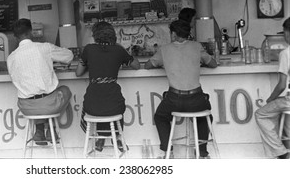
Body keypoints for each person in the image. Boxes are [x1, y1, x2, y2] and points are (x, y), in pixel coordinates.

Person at [145, 19, 217, 158]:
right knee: (204, 117)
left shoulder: (164, 50)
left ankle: (168, 152)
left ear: (173, 34)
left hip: (174, 99)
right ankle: (202, 153)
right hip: (196, 98)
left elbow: (148, 65)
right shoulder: (197, 46)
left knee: (160, 117)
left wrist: (163, 63)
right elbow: (213, 64)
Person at [75, 21, 140, 152]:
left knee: (99, 99)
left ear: (94, 35)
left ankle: (101, 137)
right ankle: (116, 137)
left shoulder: (89, 49)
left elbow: (78, 73)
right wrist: (121, 48)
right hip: (114, 105)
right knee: (113, 102)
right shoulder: (118, 50)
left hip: (91, 106)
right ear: (112, 35)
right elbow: (136, 65)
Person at [7, 18, 73, 144]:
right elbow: (69, 56)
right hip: (49, 105)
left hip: (26, 107)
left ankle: (39, 130)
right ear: (30, 32)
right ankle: (52, 128)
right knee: (65, 90)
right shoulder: (44, 48)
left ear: (16, 37)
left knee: (35, 94)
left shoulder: (11, 57)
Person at [255, 17, 290, 159]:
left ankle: (280, 151)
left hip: (288, 101)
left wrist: (270, 99)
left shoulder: (286, 53)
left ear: (287, 33)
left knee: (261, 114)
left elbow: (282, 85)